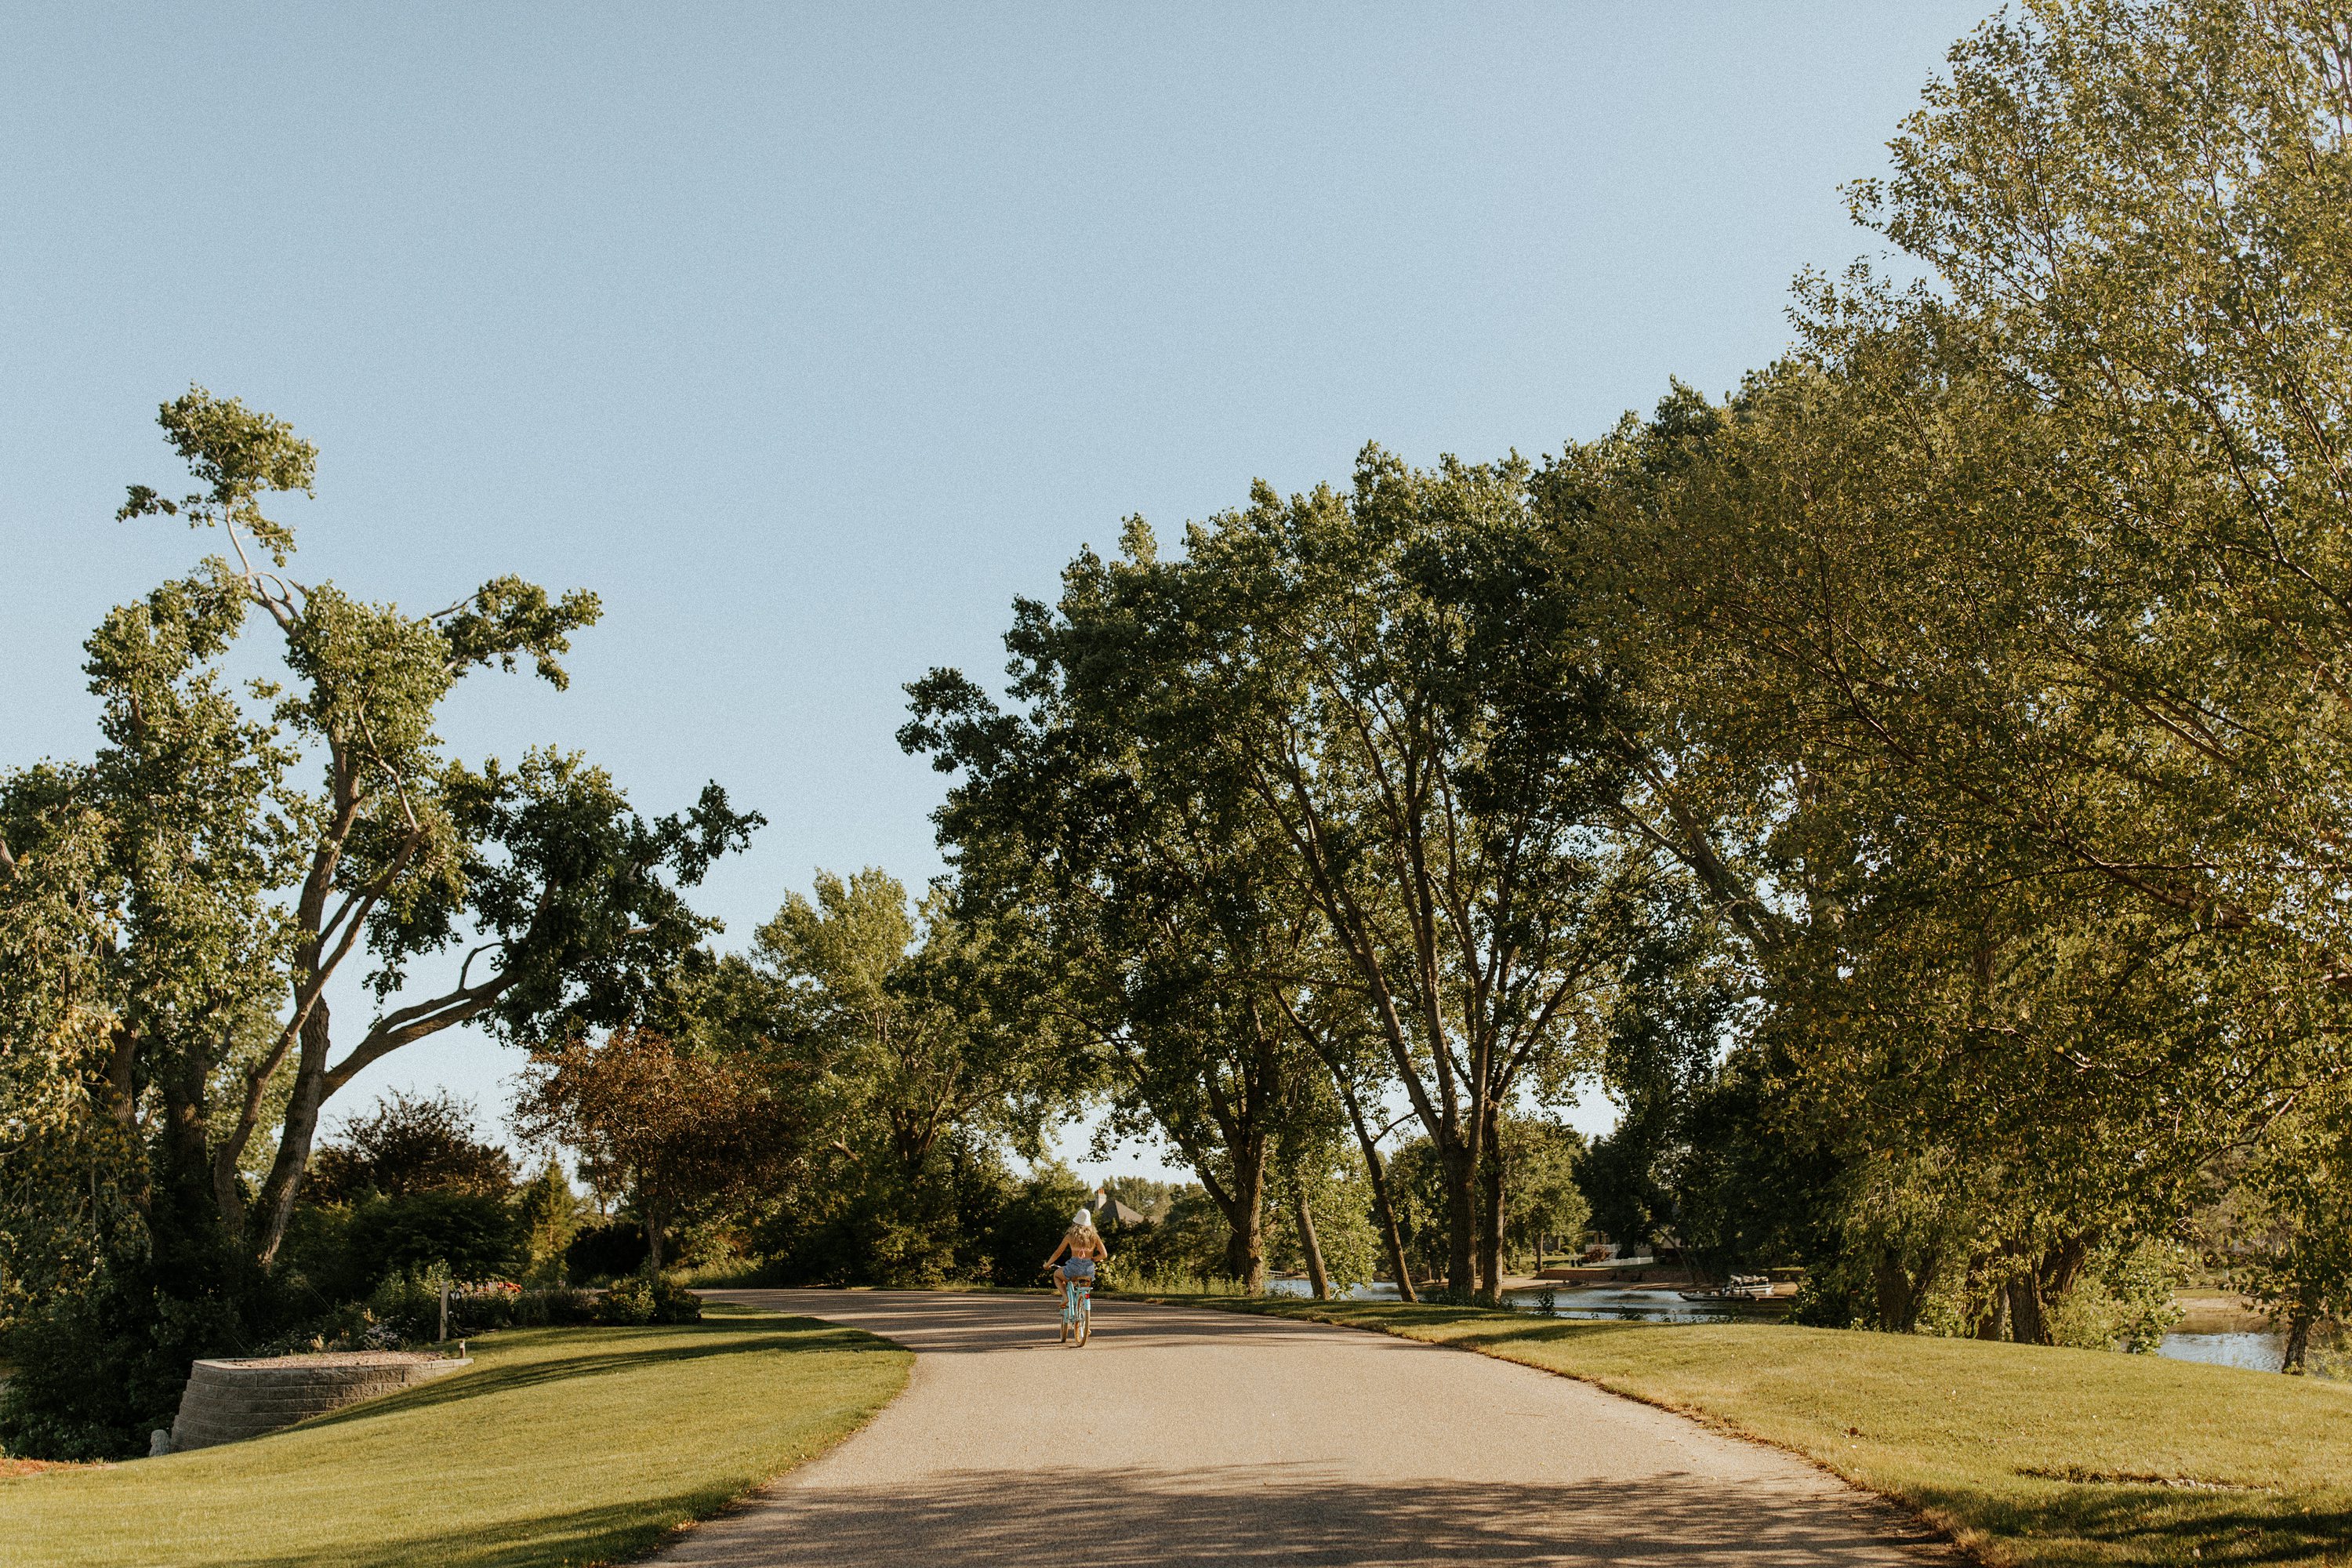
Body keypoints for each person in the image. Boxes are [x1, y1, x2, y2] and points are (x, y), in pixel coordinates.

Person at [1044, 1209, 1109, 1334]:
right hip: (1088, 1271)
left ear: (1076, 1222)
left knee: (1057, 1275)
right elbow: (1104, 1254)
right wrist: (1093, 1259)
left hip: (1073, 1270)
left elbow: (1058, 1253)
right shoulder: (1094, 1237)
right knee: (1083, 1291)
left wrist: (1047, 1264)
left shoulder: (1070, 1237)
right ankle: (1085, 1324)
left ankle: (1065, 1296)